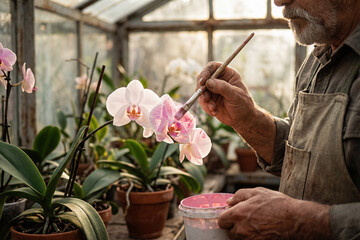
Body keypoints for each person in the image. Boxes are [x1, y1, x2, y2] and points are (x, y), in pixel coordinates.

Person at [196, 0, 360, 239]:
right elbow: (299, 158)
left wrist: (299, 221)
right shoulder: (317, 59)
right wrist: (247, 118)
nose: (279, 2)